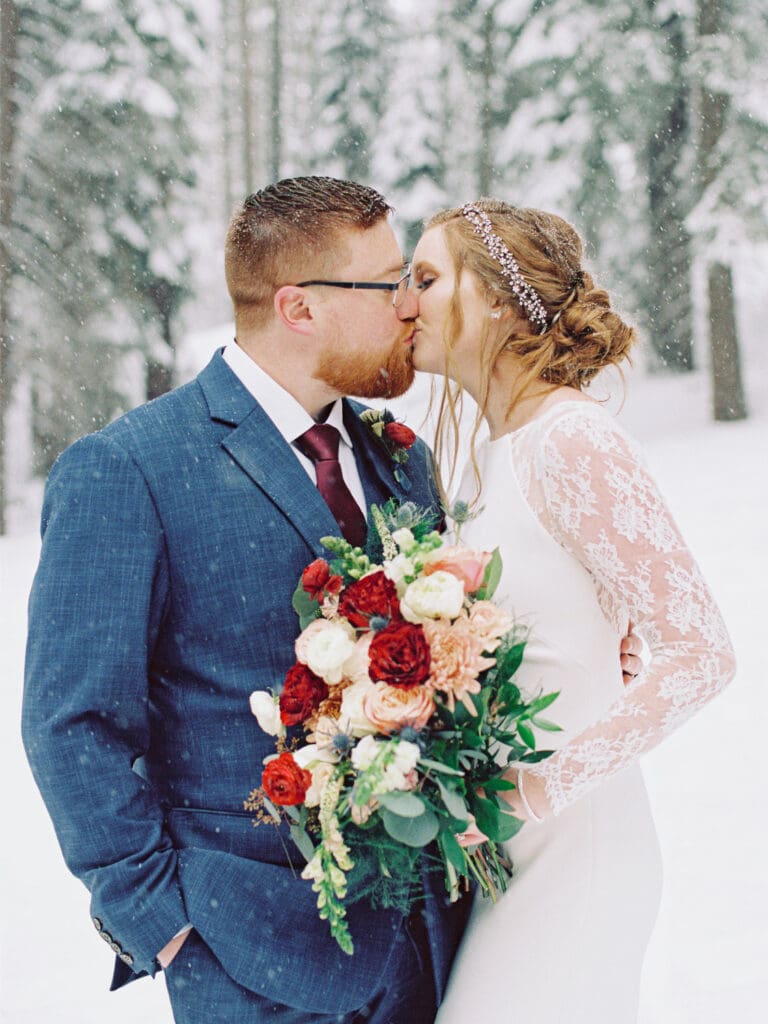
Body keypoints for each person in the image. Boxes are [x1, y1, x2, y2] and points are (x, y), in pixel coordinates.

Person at [21, 177, 641, 1024]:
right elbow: (73, 721)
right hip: (247, 946)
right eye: (389, 284)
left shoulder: (401, 456)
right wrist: (161, 923)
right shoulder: (130, 468)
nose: (409, 308)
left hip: (438, 942)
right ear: (299, 307)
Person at [404, 199, 737, 1023]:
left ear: (496, 300)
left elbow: (702, 652)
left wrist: (538, 794)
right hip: (510, 864)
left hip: (579, 853)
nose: (404, 302)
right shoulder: (493, 455)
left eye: (426, 278)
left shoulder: (571, 440)